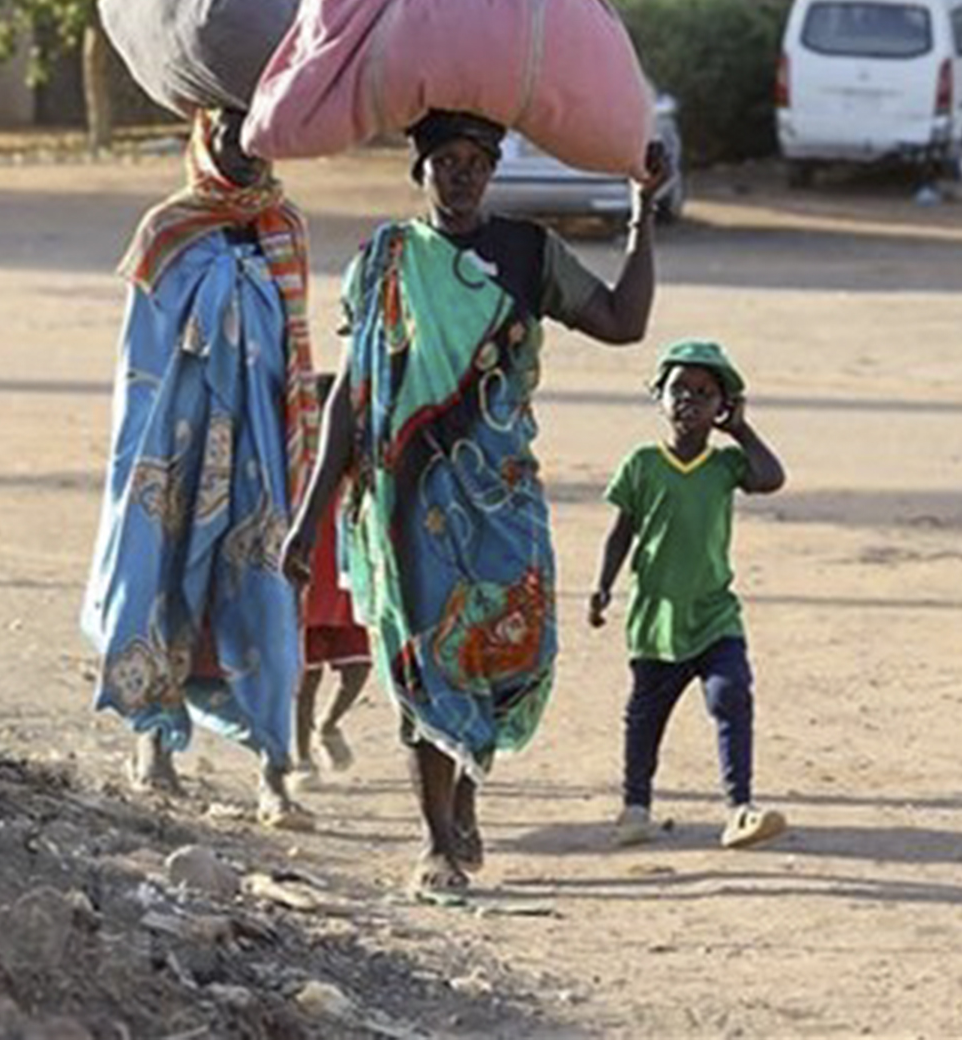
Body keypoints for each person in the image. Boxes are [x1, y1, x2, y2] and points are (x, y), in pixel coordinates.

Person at [281, 109, 673, 899]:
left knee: (505, 651)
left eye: (475, 162)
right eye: (444, 161)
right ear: (417, 171)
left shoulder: (529, 252)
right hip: (405, 503)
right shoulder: (385, 260)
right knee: (423, 661)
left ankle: (465, 788)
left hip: (501, 496)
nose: (460, 175)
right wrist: (311, 511)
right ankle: (435, 843)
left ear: (493, 171)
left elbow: (624, 325)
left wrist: (642, 211)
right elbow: (353, 400)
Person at [78, 107, 321, 831]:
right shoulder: (166, 231)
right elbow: (139, 362)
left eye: (256, 133)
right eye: (228, 132)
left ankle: (276, 773)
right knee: (158, 581)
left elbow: (295, 351)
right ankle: (152, 743)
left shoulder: (286, 229)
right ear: (202, 136)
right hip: (174, 446)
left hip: (260, 449)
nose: (242, 148)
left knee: (267, 601)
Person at [588, 339, 789, 850]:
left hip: (715, 615)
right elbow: (621, 530)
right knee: (644, 717)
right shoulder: (642, 464)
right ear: (658, 396)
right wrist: (602, 586)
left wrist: (741, 429)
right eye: (678, 389)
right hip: (656, 619)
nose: (689, 401)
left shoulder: (725, 466)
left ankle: (740, 808)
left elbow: (771, 478)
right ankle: (635, 807)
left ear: (721, 407)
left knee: (730, 696)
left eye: (704, 393)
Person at [292, 371, 373, 783]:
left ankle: (328, 724)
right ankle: (301, 754)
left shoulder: (356, 470)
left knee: (358, 668)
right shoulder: (299, 468)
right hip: (309, 589)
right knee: (305, 676)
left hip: (344, 587)